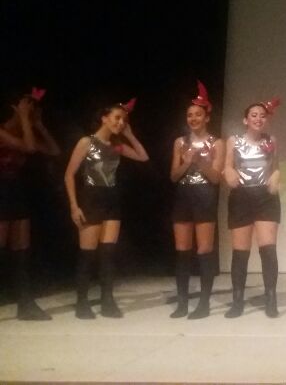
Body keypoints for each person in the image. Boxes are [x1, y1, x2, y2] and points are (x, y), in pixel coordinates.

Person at [63, 99, 149, 319]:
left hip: (111, 199)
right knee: (87, 254)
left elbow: (143, 156)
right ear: (104, 118)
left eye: (124, 120)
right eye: (117, 118)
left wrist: (130, 135)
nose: (120, 123)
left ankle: (107, 300)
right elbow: (69, 174)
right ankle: (82, 302)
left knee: (108, 253)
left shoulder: (117, 146)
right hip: (91, 198)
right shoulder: (86, 142)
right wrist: (74, 206)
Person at [1, 88, 59, 320]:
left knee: (21, 249)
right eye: (28, 108)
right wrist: (24, 118)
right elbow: (29, 148)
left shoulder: (26, 132)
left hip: (14, 190)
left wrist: (40, 125)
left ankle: (25, 304)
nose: (31, 112)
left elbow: (54, 151)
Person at [168, 81, 225, 319]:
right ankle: (182, 303)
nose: (193, 118)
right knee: (182, 250)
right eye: (190, 115)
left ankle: (203, 303)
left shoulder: (217, 143)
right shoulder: (180, 142)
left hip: (205, 196)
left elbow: (216, 178)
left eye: (198, 114)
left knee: (204, 250)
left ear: (207, 117)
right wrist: (187, 161)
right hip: (183, 196)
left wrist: (200, 161)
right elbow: (173, 176)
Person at [223, 97, 282, 318]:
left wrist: (276, 177)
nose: (258, 118)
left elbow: (276, 167)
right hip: (241, 197)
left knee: (268, 250)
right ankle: (237, 300)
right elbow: (227, 166)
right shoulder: (234, 140)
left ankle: (271, 298)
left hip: (265, 196)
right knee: (240, 252)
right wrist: (229, 172)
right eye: (254, 115)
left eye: (262, 116)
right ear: (245, 120)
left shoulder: (271, 140)